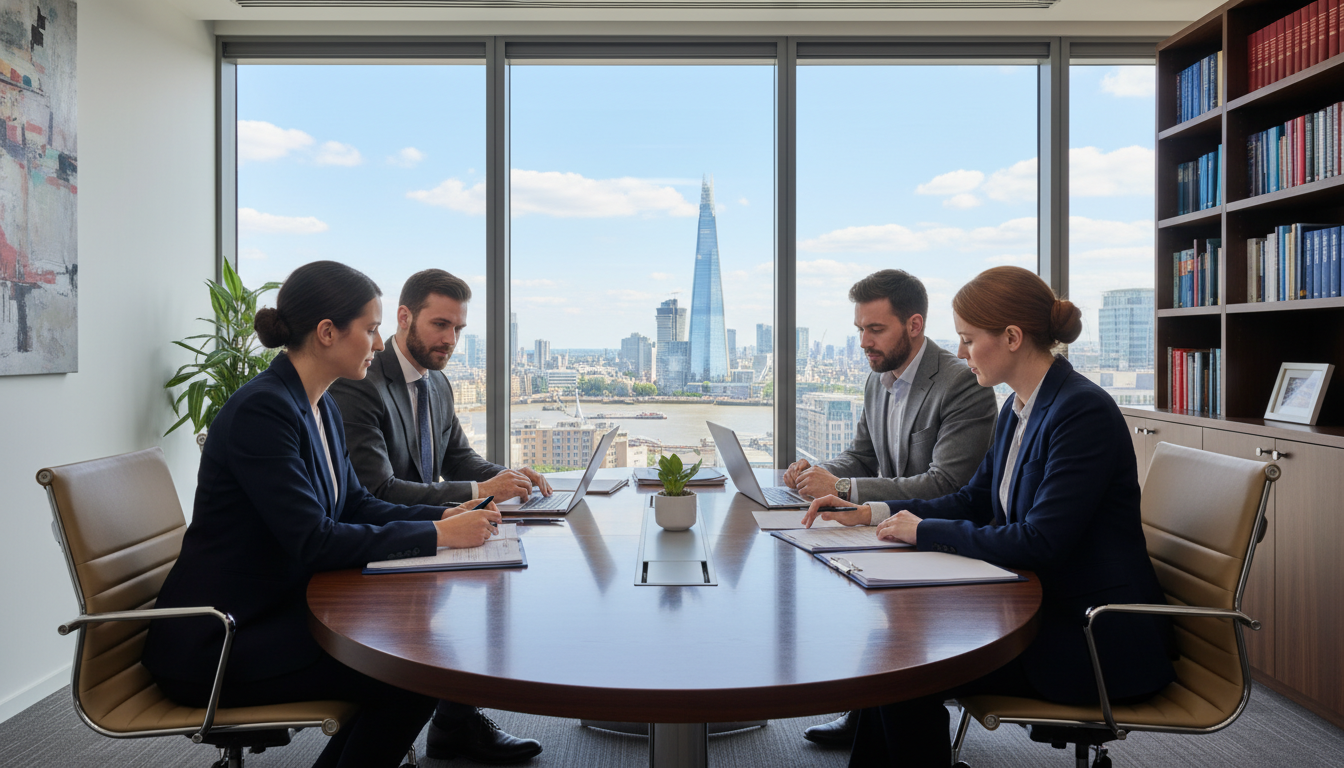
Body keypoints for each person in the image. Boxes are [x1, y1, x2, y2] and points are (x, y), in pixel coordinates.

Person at [802, 266, 1176, 767]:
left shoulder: (1082, 411)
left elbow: (1041, 542)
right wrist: (874, 511)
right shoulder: (1018, 407)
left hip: (1090, 639)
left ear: (1013, 338)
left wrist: (924, 530)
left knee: (905, 669)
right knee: (894, 655)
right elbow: (975, 499)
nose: (959, 352)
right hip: (1037, 608)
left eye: (967, 339)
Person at [143, 261, 504, 768]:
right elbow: (313, 540)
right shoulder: (262, 411)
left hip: (279, 610)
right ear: (328, 333)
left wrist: (449, 517)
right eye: (372, 329)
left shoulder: (320, 404)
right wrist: (438, 535)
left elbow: (355, 503)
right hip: (220, 640)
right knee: (415, 671)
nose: (380, 344)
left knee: (412, 657)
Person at [327, 268, 544, 763]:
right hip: (382, 540)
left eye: (458, 330)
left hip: (425, 529)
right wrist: (471, 497)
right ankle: (450, 724)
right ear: (404, 318)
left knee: (496, 580)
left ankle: (453, 724)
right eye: (440, 325)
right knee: (482, 593)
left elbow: (460, 459)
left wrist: (511, 478)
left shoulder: (438, 383)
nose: (451, 340)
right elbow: (376, 488)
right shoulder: (362, 382)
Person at [784, 269, 998, 747]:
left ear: (915, 325)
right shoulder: (876, 379)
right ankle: (866, 718)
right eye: (859, 329)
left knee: (861, 596)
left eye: (875, 329)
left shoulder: (962, 384)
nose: (864, 341)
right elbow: (861, 456)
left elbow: (949, 482)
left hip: (943, 537)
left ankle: (883, 717)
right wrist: (813, 471)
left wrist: (840, 484)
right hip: (892, 529)